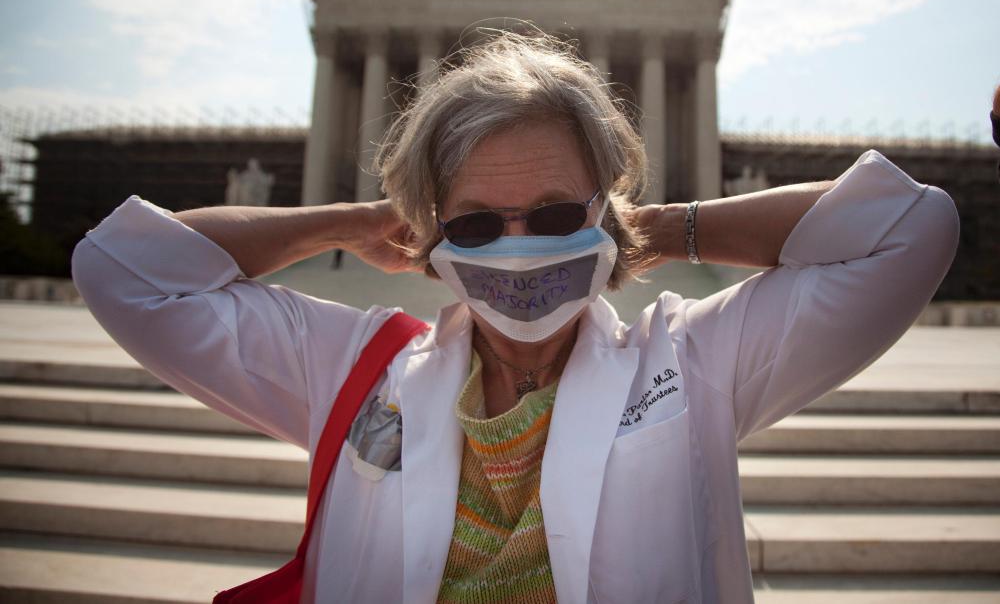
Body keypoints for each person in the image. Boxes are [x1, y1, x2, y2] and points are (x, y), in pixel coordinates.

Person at [72, 31, 959, 603]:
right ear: (431, 234)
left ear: (603, 213)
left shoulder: (693, 361)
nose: (521, 247)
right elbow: (125, 269)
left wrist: (653, 229)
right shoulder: (353, 369)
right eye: (476, 224)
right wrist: (348, 222)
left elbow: (908, 229)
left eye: (556, 213)